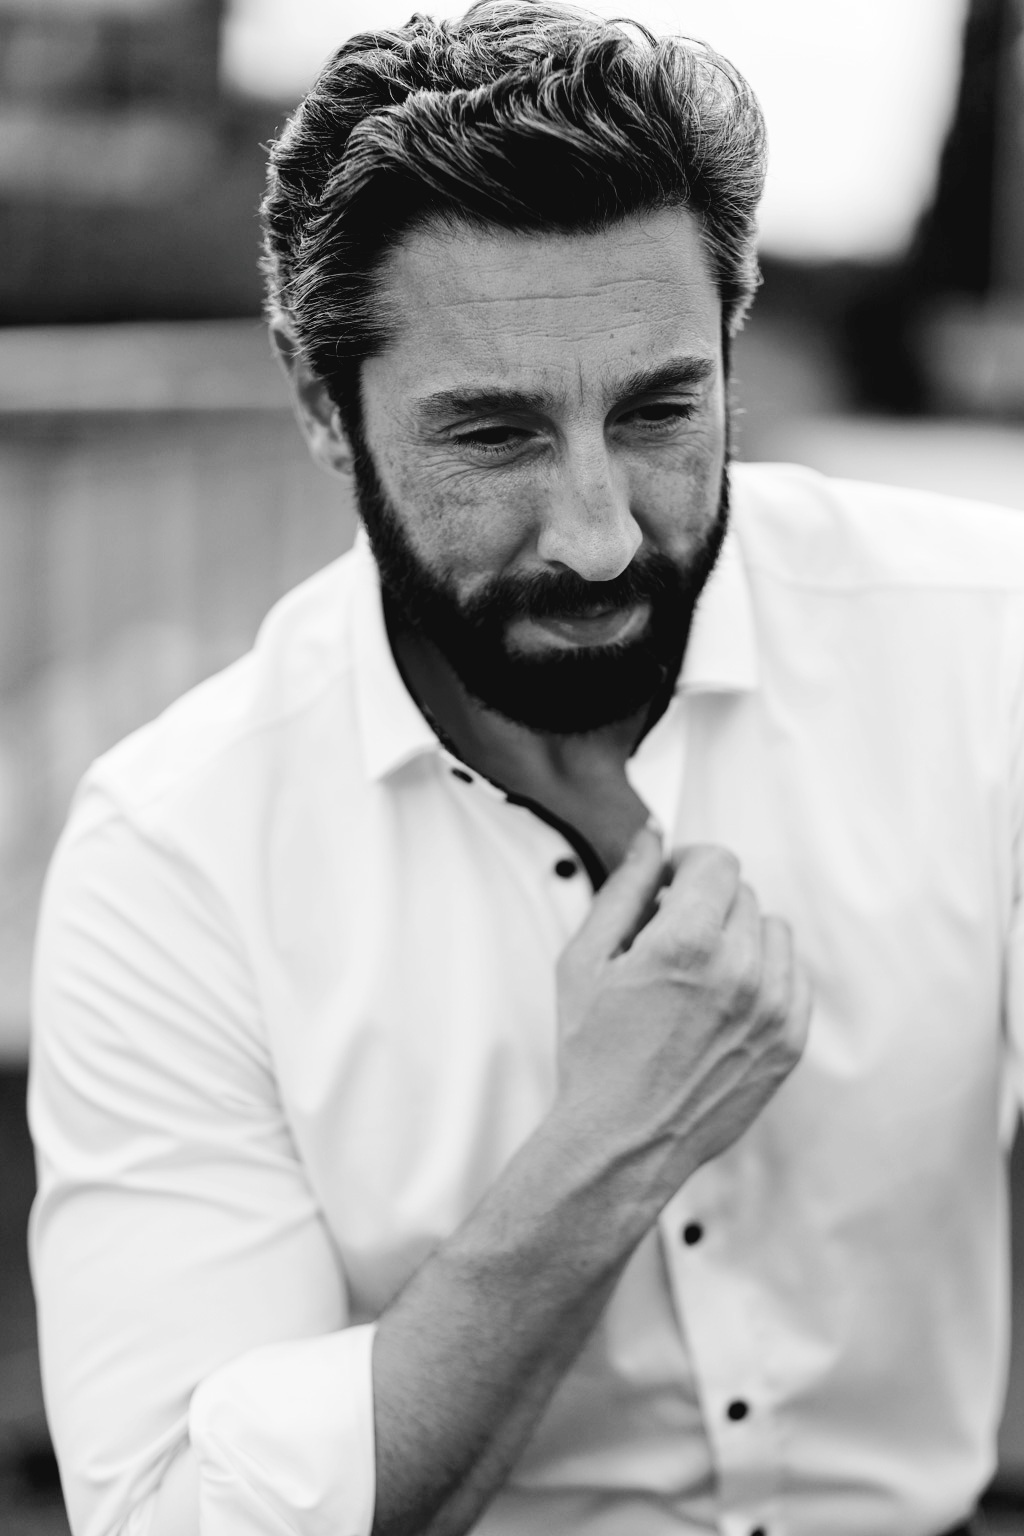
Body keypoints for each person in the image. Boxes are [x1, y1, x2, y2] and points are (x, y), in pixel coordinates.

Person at [27, 4, 1024, 1535]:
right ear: (324, 410)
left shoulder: (982, 644)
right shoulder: (179, 854)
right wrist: (610, 1143)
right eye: (495, 436)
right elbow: (173, 1513)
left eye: (661, 411)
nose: (602, 535)